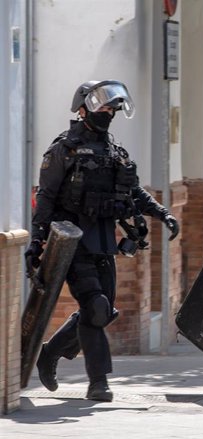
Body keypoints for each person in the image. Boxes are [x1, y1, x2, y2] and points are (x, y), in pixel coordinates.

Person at [26, 80, 180, 402]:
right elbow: (47, 198)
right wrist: (37, 243)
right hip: (72, 242)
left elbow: (134, 191)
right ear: (82, 109)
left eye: (112, 108)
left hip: (104, 241)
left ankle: (50, 353)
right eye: (103, 107)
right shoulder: (63, 150)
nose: (108, 113)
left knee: (104, 310)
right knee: (94, 307)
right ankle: (99, 383)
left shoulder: (114, 152)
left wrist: (160, 212)